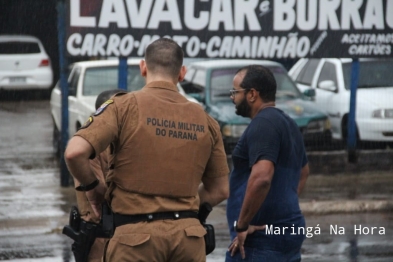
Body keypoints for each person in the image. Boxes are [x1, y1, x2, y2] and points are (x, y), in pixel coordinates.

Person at [64, 38, 229, 262]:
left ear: (143, 67)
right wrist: (180, 212)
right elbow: (220, 189)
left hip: (134, 241)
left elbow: (74, 153)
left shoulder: (123, 107)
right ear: (182, 73)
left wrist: (93, 188)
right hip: (189, 241)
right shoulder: (207, 121)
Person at [225, 65, 310, 261]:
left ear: (252, 94)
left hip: (259, 237)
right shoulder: (288, 123)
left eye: (235, 92)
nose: (232, 98)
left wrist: (243, 225)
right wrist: (283, 207)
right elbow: (303, 171)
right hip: (287, 229)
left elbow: (262, 177)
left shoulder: (263, 124)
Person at [72, 89, 125, 262]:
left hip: (114, 232)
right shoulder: (93, 145)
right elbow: (101, 195)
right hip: (99, 232)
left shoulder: (117, 142)